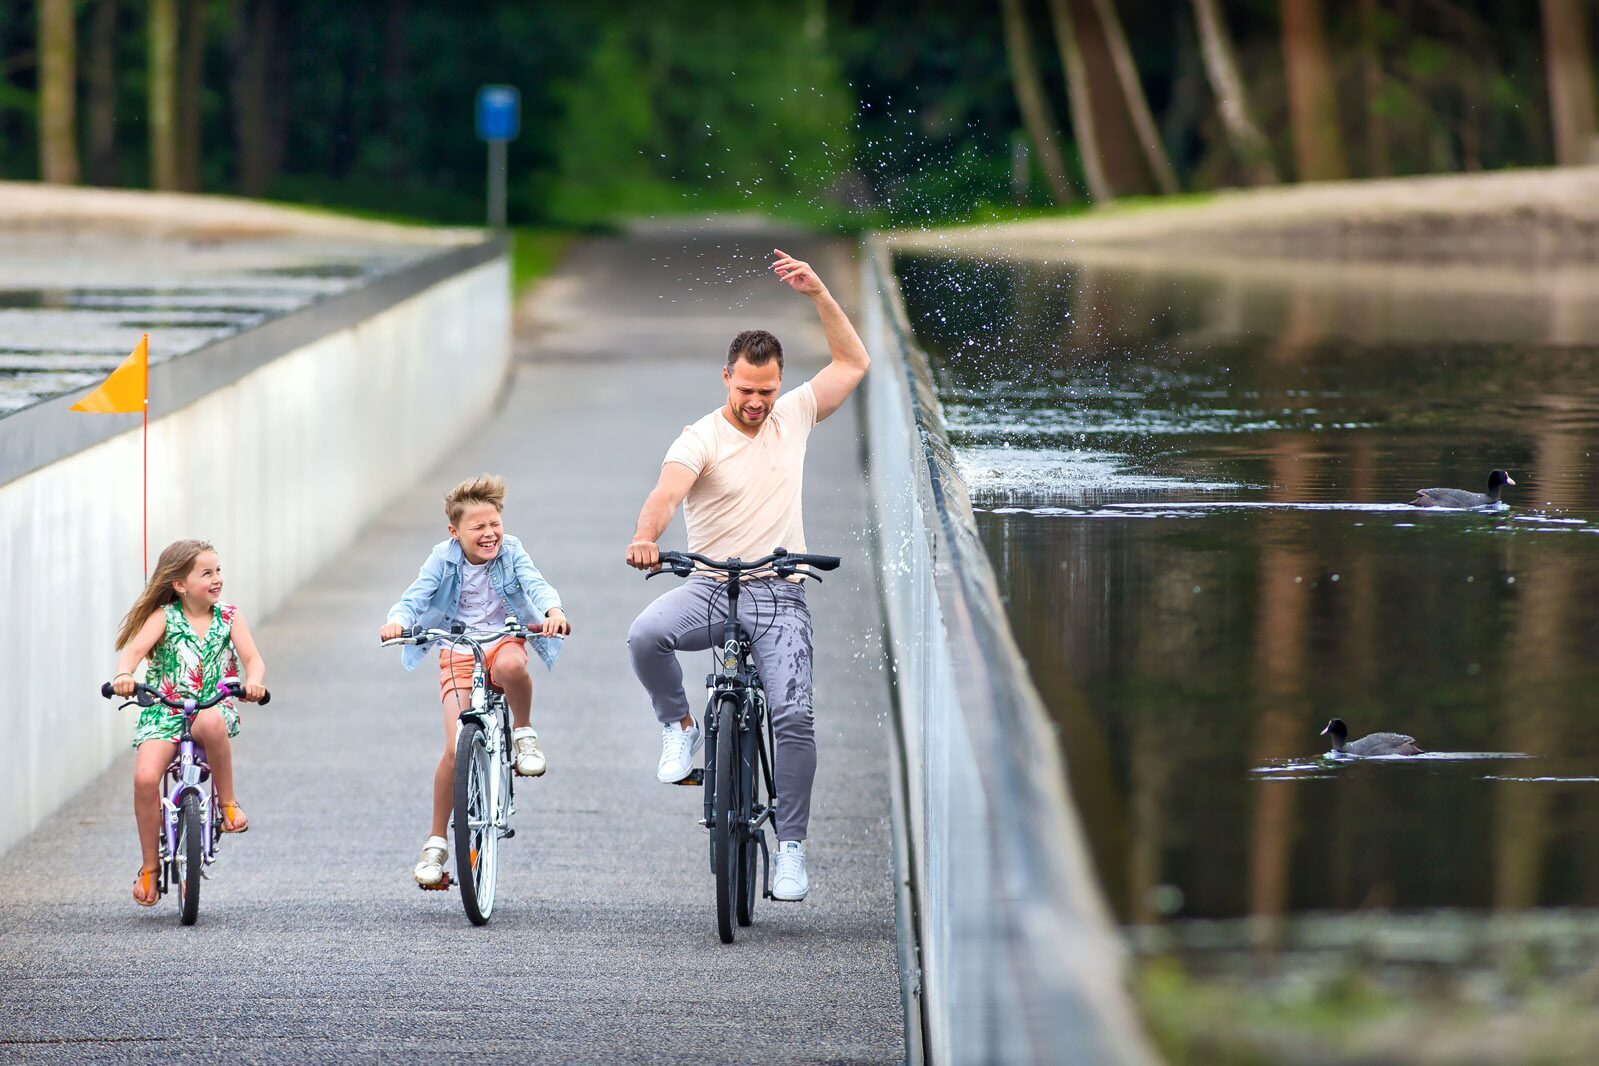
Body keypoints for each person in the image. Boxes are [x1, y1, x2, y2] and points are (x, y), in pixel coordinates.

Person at [625, 248, 870, 902]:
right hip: (708, 587)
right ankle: (678, 728)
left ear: (779, 382)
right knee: (644, 636)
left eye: (766, 390)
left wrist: (818, 292)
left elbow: (853, 363)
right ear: (724, 380)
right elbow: (665, 493)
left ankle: (790, 848)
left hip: (778, 595)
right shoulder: (698, 437)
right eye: (745, 391)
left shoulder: (794, 415)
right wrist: (646, 537)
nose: (757, 403)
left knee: (792, 715)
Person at [379, 474, 570, 888]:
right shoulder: (441, 557)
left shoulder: (512, 551)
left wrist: (552, 611)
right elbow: (416, 596)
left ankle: (523, 731)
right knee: (453, 749)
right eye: (477, 527)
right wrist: (398, 622)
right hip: (458, 649)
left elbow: (536, 584)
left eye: (494, 524)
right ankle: (435, 842)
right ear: (455, 532)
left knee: (512, 669)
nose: (489, 534)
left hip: (503, 640)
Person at [111, 539, 268, 907]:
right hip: (165, 709)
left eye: (218, 571)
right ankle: (150, 866)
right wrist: (124, 676)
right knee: (146, 778)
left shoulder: (229, 617)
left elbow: (253, 659)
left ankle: (227, 802)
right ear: (179, 584)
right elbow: (132, 654)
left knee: (212, 723)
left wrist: (254, 682)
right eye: (207, 573)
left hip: (210, 704)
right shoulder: (164, 617)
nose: (217, 579)